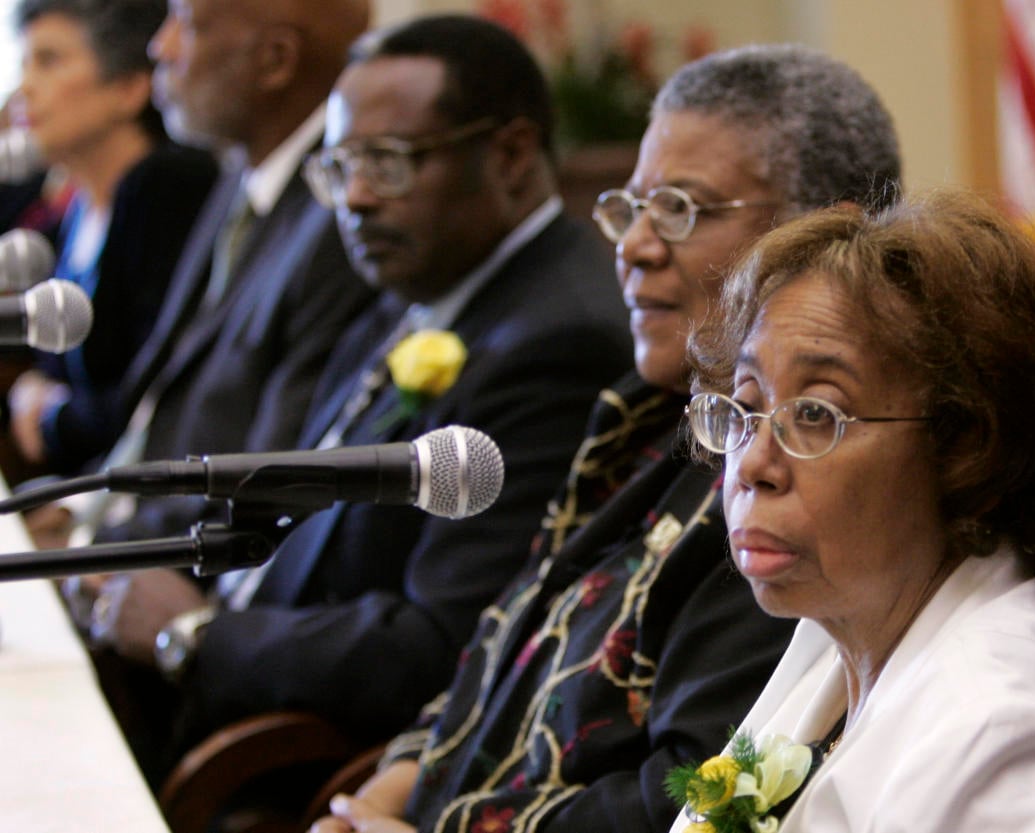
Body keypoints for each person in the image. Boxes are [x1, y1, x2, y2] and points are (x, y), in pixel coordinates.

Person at [311, 42, 902, 833]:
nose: (634, 246)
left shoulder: (794, 480)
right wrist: (393, 785)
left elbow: (690, 792)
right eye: (631, 208)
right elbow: (508, 642)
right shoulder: (645, 415)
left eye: (681, 211)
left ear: (822, 235)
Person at [81, 13, 635, 783]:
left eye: (389, 161)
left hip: (302, 757)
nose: (358, 199)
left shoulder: (556, 341)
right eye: (339, 167)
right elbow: (286, 481)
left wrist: (195, 634)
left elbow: (440, 639)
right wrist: (127, 553)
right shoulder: (415, 283)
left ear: (509, 154)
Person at [669, 188, 1035, 833]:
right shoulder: (844, 623)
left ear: (967, 446)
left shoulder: (1018, 745)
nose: (754, 465)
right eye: (744, 403)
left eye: (816, 414)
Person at [45, 0, 377, 785]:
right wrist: (84, 505)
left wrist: (108, 541)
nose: (158, 49)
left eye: (186, 26)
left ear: (273, 60)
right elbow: (164, 395)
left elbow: (266, 469)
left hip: (190, 601)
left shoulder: (339, 220)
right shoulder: (241, 178)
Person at [6, 0, 218, 475]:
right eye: (25, 64)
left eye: (50, 61)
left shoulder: (166, 187)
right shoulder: (77, 207)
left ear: (129, 87)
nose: (24, 89)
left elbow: (152, 400)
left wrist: (52, 415)